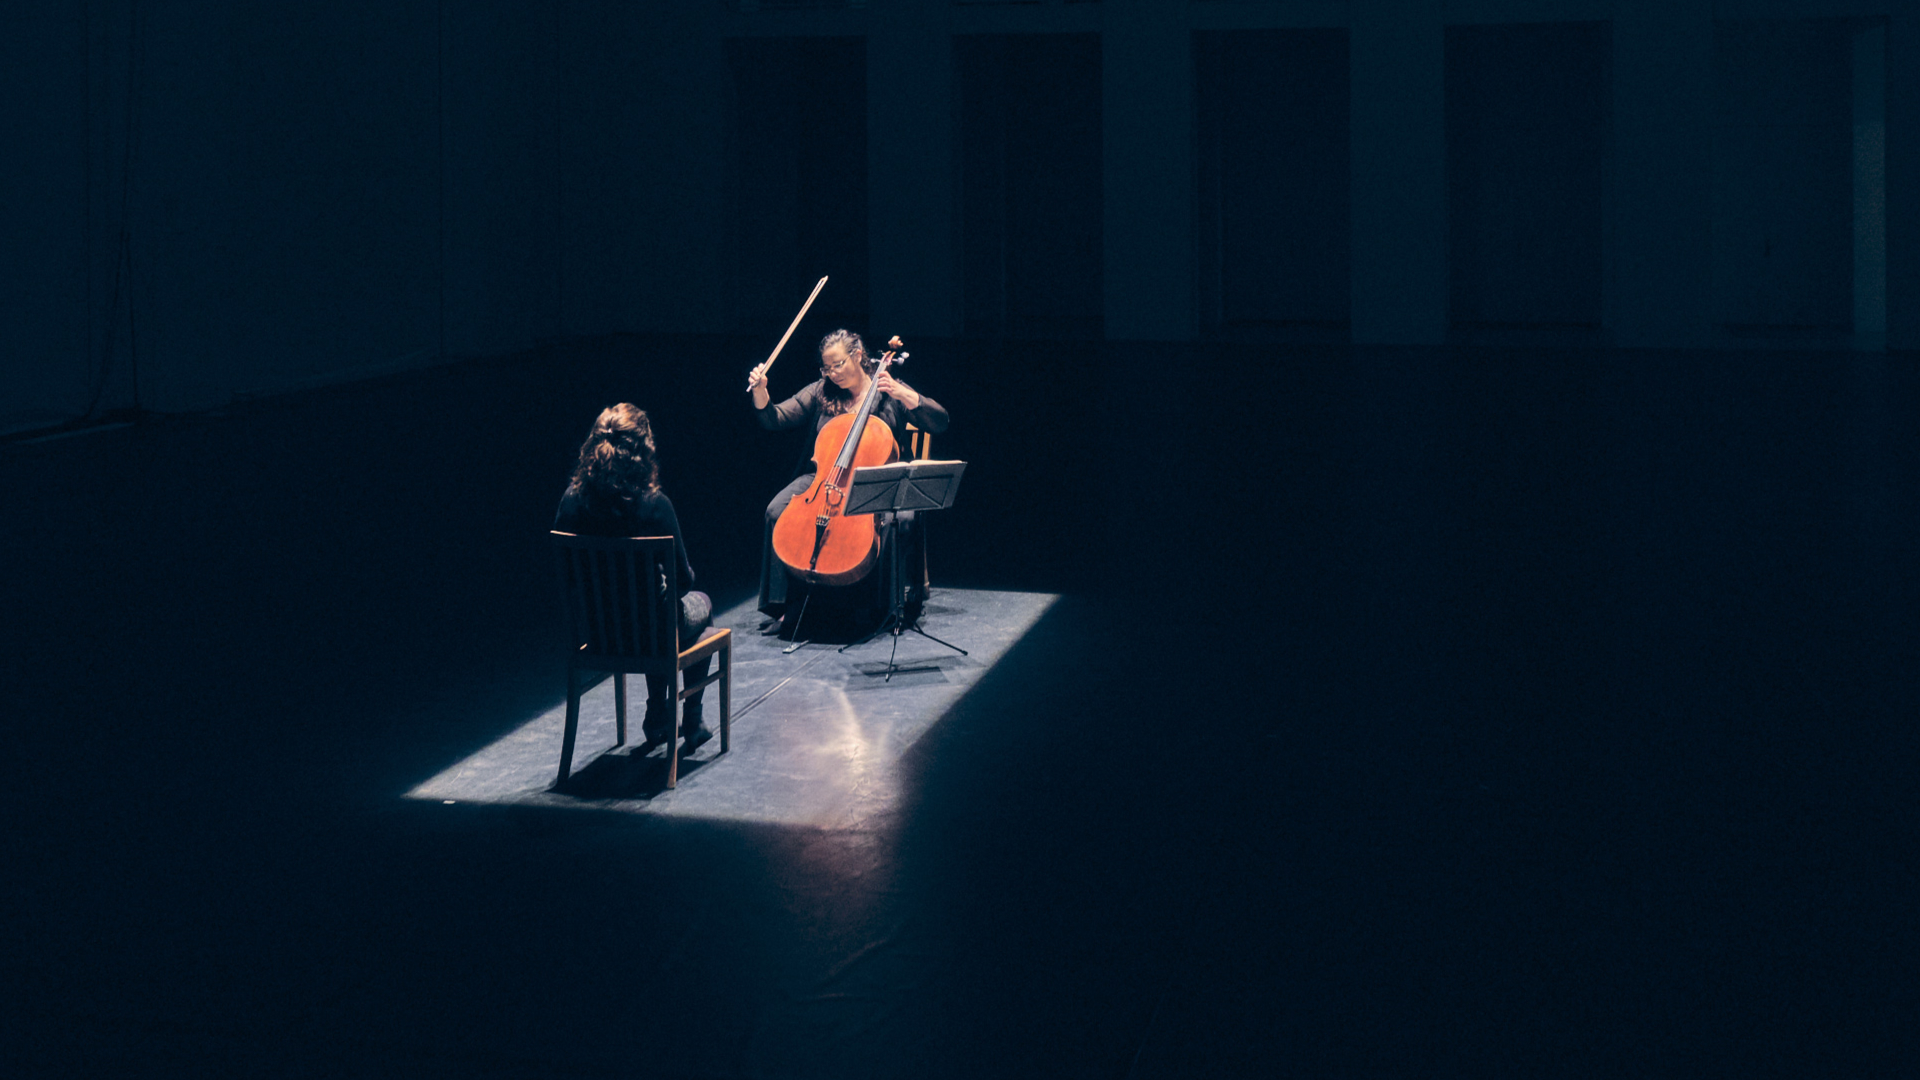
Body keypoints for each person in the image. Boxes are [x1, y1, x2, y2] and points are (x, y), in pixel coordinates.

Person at [747, 329, 950, 623]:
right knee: (776, 511)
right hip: (827, 477)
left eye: (838, 365)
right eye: (826, 368)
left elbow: (940, 421)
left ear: (857, 356)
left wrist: (902, 393)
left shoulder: (887, 388)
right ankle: (783, 604)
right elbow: (775, 418)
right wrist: (761, 391)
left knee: (901, 519)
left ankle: (884, 607)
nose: (832, 374)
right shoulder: (822, 390)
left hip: (876, 479)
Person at [552, 404, 715, 753]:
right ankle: (691, 717)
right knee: (700, 605)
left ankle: (657, 713)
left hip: (598, 635)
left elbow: (566, 577)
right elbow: (684, 582)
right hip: (652, 632)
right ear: (643, 452)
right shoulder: (654, 505)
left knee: (655, 617)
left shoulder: (570, 502)